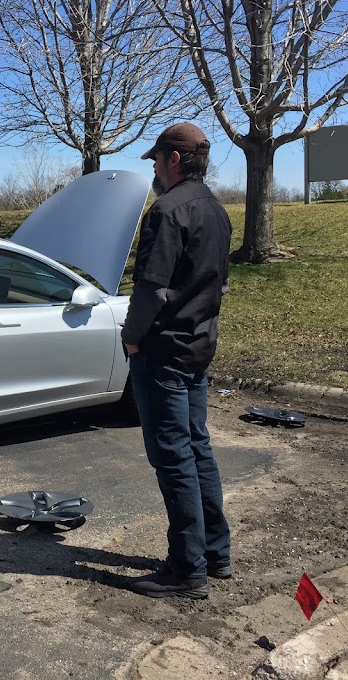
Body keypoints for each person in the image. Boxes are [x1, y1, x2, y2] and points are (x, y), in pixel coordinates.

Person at [121, 122, 233, 599]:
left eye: (155, 160)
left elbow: (152, 288)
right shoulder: (217, 210)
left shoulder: (166, 212)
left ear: (172, 159)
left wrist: (131, 337)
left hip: (164, 350)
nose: (152, 169)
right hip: (198, 346)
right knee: (197, 447)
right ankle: (215, 553)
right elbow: (219, 284)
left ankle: (187, 569)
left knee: (173, 457)